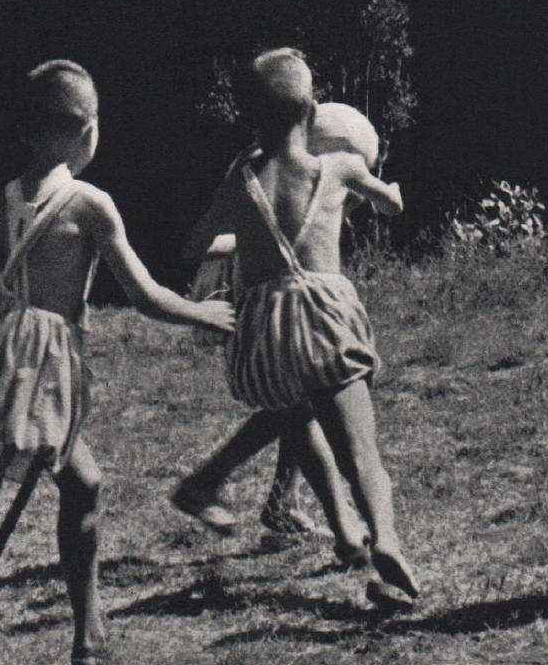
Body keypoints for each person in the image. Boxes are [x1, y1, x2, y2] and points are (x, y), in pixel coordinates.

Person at [0, 60, 235, 665]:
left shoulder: (1, 201)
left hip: (4, 363)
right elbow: (141, 294)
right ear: (89, 131)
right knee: (82, 484)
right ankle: (88, 634)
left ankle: (90, 628)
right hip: (48, 373)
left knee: (82, 482)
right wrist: (201, 313)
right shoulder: (89, 204)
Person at [177, 49, 418, 601]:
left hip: (265, 334)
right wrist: (386, 194)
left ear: (250, 119)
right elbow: (392, 208)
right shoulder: (338, 168)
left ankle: (224, 487)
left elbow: (193, 246)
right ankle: (385, 541)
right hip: (323, 320)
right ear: (312, 113)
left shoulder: (239, 180)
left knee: (296, 407)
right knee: (363, 450)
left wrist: (252, 238)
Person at [181, 101, 381, 545]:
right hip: (269, 306)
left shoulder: (274, 168)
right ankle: (211, 481)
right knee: (304, 398)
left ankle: (286, 502)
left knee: (301, 400)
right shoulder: (273, 173)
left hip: (281, 307)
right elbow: (218, 240)